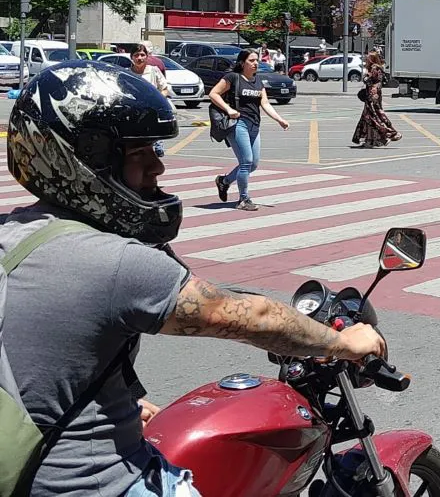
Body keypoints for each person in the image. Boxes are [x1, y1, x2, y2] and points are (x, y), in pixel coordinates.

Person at [0, 61, 385, 497]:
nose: (157, 170)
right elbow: (246, 315)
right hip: (93, 485)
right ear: (84, 161)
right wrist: (343, 342)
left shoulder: (11, 234)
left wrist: (107, 402)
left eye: (155, 152)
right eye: (138, 154)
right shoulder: (116, 263)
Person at [209, 50, 290, 211]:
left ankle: (224, 181)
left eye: (256, 60)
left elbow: (265, 103)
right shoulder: (233, 77)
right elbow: (213, 94)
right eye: (251, 60)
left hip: (254, 125)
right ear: (242, 63)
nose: (255, 63)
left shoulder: (258, 81)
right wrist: (229, 109)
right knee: (246, 162)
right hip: (238, 124)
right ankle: (243, 199)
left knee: (253, 164)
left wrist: (279, 119)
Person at [352, 51, 402, 148]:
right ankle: (371, 140)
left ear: (371, 59)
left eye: (367, 58)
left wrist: (366, 79)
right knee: (370, 117)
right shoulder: (376, 68)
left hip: (372, 95)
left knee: (371, 117)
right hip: (374, 94)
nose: (366, 60)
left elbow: (373, 82)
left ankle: (387, 135)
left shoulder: (374, 69)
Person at [128, 45, 171, 158]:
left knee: (154, 142)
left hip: (152, 111)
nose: (139, 58)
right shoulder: (127, 74)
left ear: (147, 57)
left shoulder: (153, 71)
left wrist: (157, 101)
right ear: (131, 57)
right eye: (136, 55)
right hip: (135, 113)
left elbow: (165, 89)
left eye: (142, 55)